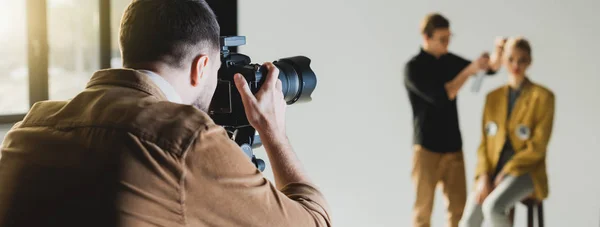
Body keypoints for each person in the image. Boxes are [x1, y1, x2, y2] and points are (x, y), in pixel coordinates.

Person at [0, 1, 331, 226]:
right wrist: (272, 130)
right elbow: (315, 221)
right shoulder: (185, 139)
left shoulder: (30, 127)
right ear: (202, 66)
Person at [404, 13, 504, 227]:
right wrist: (469, 70)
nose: (447, 43)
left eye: (449, 38)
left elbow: (490, 69)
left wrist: (498, 51)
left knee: (459, 212)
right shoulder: (414, 68)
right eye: (442, 39)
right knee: (423, 212)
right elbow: (443, 95)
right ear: (426, 37)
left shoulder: (450, 61)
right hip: (426, 151)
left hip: (453, 149)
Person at [459, 37, 554, 227]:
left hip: (526, 170)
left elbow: (537, 147)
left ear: (529, 62)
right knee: (469, 219)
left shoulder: (543, 97)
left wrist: (507, 170)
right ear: (503, 60)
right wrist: (483, 175)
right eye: (510, 59)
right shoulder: (492, 98)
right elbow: (485, 143)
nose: (516, 65)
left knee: (493, 207)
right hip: (493, 170)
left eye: (522, 60)